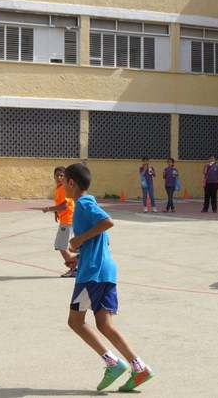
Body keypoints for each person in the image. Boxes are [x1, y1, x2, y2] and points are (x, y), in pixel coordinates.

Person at [62, 162, 154, 392]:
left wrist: (80, 240)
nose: (61, 185)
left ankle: (112, 362)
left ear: (71, 183)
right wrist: (80, 255)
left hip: (92, 275)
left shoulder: (83, 202)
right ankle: (139, 366)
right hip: (102, 271)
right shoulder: (85, 204)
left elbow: (108, 222)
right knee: (104, 324)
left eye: (63, 181)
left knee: (75, 321)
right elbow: (104, 240)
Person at [42, 166, 78, 278]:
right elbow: (61, 204)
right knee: (61, 245)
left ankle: (75, 268)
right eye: (57, 175)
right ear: (54, 176)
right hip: (65, 220)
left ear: (65, 177)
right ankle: (79, 261)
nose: (59, 177)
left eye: (62, 175)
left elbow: (65, 204)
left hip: (68, 220)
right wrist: (56, 213)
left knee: (62, 246)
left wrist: (49, 209)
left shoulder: (63, 188)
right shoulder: (58, 188)